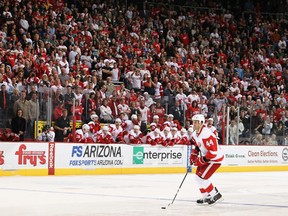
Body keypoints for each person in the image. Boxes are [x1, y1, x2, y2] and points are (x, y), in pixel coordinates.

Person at [190, 114, 224, 205]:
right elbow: (197, 146)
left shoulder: (206, 134)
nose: (194, 124)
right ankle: (206, 196)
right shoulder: (195, 134)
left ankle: (216, 194)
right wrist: (193, 155)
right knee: (197, 177)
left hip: (215, 159)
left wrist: (201, 160)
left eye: (196, 122)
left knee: (202, 178)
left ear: (201, 123)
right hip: (208, 158)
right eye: (193, 122)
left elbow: (213, 152)